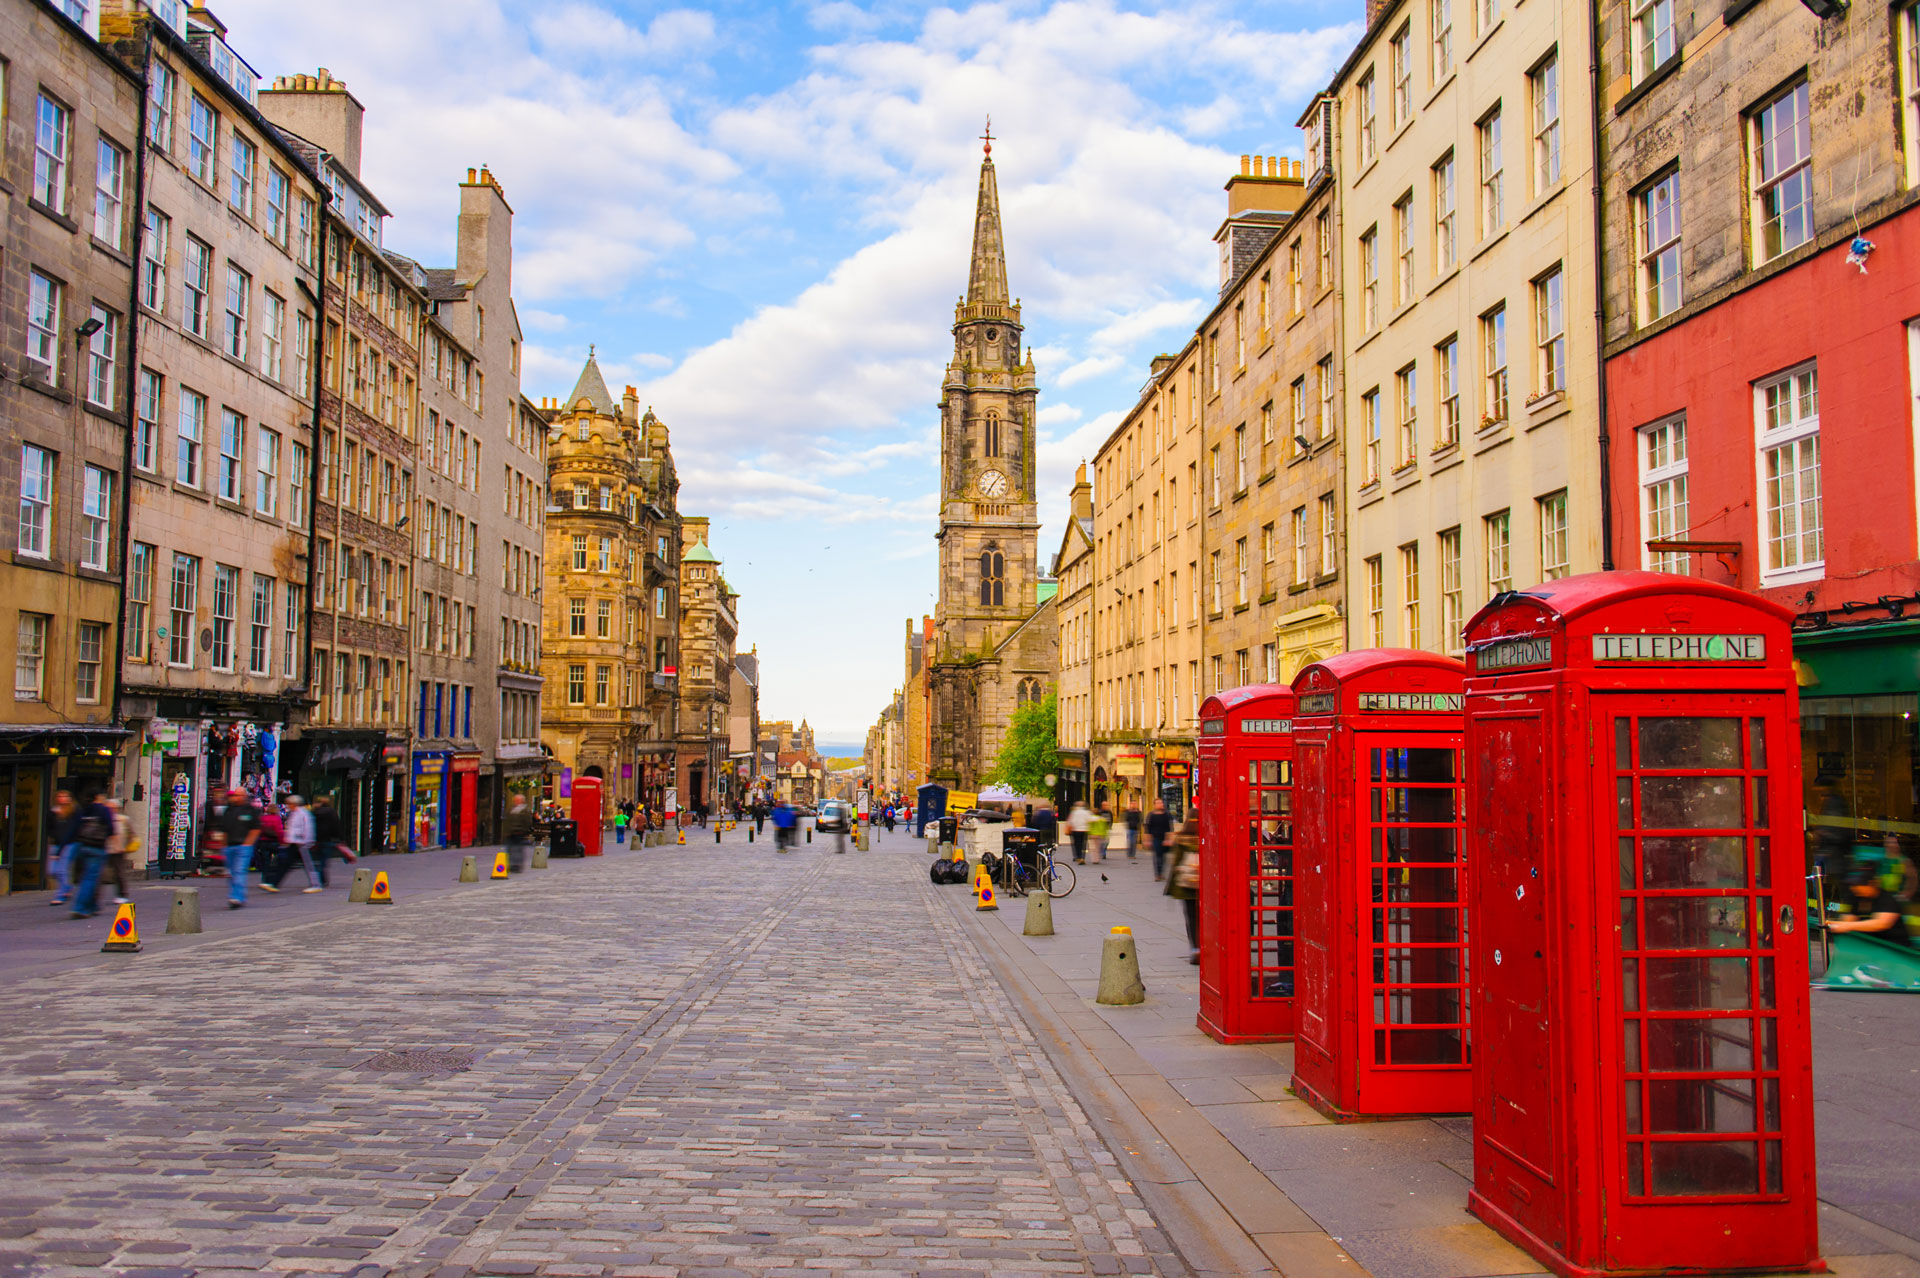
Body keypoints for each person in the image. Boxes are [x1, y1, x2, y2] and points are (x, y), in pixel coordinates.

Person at [1829, 856, 1913, 944]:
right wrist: (1838, 925)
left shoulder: (1887, 899)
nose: (1855, 888)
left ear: (1872, 883)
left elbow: (1882, 923)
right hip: (1867, 947)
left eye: (1859, 884)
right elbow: (1848, 919)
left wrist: (1847, 926)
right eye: (1853, 885)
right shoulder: (1853, 897)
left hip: (1895, 949)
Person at [64, 788, 116, 919]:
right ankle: (80, 908)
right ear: (98, 796)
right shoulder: (103, 810)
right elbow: (110, 828)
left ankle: (93, 906)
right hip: (96, 847)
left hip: (82, 846)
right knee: (90, 878)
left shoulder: (83, 809)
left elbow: (74, 829)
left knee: (87, 877)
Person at [1164, 814, 1200, 964]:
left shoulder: (1181, 839)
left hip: (1186, 886)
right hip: (1204, 886)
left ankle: (1195, 948)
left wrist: (1171, 888)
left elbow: (1175, 864)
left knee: (1191, 918)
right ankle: (1206, 946)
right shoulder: (1208, 838)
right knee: (1204, 918)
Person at [220, 789, 261, 909]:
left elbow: (256, 828)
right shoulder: (229, 810)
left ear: (244, 796)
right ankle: (234, 895)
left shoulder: (250, 810)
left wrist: (248, 844)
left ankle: (237, 897)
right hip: (229, 846)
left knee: (239, 871)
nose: (235, 797)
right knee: (232, 873)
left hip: (243, 847)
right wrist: (223, 845)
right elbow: (224, 829)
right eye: (235, 795)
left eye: (238, 795)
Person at [101, 797, 136, 906]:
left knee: (119, 873)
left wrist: (126, 845)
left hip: (118, 849)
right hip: (104, 848)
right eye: (108, 808)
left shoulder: (123, 819)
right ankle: (95, 897)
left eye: (112, 808)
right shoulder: (102, 819)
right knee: (99, 873)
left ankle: (122, 894)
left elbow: (131, 834)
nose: (110, 810)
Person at [46, 788, 77, 907]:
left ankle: (60, 895)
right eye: (60, 796)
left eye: (65, 796)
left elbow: (73, 829)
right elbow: (49, 827)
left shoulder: (73, 812)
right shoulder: (53, 812)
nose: (62, 799)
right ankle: (67, 887)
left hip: (69, 844)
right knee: (52, 870)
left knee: (62, 869)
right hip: (56, 843)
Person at [311, 795, 346, 889]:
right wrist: (341, 839)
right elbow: (336, 826)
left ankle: (318, 880)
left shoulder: (314, 813)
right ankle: (322, 880)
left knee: (316, 860)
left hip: (317, 840)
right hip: (328, 840)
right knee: (323, 861)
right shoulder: (331, 812)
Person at [504, 793, 534, 872]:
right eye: (515, 800)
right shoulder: (511, 809)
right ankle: (511, 864)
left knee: (518, 849)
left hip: (519, 833)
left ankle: (517, 865)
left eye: (517, 800)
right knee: (510, 849)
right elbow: (507, 821)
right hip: (510, 833)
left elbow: (527, 822)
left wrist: (524, 831)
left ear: (522, 801)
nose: (515, 801)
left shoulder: (525, 810)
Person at [1146, 799, 1172, 876]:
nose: (1160, 804)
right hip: (1155, 838)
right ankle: (1158, 873)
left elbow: (1169, 828)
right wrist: (1148, 840)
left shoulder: (1166, 815)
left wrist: (1168, 839)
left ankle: (1160, 872)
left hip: (1164, 838)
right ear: (1154, 805)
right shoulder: (1151, 815)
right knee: (1157, 855)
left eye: (1161, 803)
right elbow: (1148, 829)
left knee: (1163, 856)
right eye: (1158, 803)